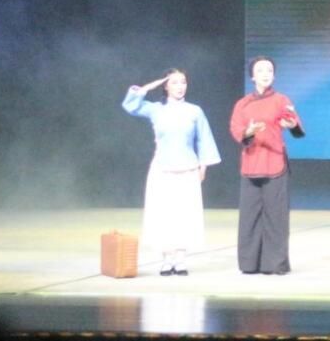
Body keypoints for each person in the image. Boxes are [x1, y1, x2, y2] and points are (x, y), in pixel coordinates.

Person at [122, 69, 221, 276]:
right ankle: (166, 259)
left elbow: (204, 139)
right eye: (174, 82)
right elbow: (130, 106)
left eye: (183, 82)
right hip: (162, 168)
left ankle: (181, 260)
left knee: (185, 214)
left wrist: (203, 166)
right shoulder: (156, 109)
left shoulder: (195, 111)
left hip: (188, 168)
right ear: (166, 86)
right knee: (163, 214)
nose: (180, 86)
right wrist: (148, 87)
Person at [229, 56, 304, 275]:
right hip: (251, 163)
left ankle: (275, 264)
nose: (265, 74)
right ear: (252, 76)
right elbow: (236, 128)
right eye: (260, 70)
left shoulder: (281, 100)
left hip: (274, 164)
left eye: (269, 70)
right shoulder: (243, 104)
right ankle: (249, 264)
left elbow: (294, 123)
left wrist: (291, 124)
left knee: (276, 217)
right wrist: (248, 132)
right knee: (249, 217)